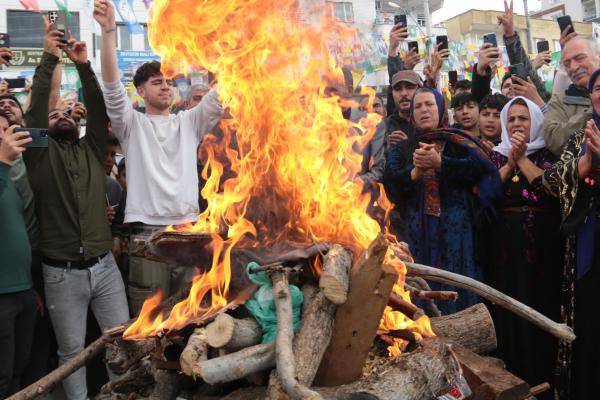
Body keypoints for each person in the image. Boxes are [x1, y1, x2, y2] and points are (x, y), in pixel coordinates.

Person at [94, 0, 223, 313]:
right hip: (145, 236)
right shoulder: (131, 125)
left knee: (186, 321)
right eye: (156, 83)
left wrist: (229, 43)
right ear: (140, 91)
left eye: (168, 82)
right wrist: (109, 32)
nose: (166, 87)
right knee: (147, 324)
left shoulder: (189, 123)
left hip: (187, 233)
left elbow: (223, 91)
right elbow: (111, 88)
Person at [24, 32, 129, 400]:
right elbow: (36, 109)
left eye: (67, 112)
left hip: (104, 269)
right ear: (42, 129)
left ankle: (122, 394)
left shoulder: (91, 148)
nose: (62, 116)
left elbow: (99, 110)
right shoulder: (36, 156)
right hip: (61, 274)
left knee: (121, 342)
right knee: (71, 352)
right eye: (55, 115)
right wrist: (50, 58)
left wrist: (84, 65)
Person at [384, 87, 501, 314]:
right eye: (418, 106)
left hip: (458, 234)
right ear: (411, 114)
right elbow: (390, 185)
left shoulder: (460, 142)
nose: (424, 110)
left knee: (458, 285)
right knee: (419, 287)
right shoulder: (402, 149)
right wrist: (415, 172)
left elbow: (482, 172)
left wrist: (441, 163)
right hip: (417, 234)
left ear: (440, 108)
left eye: (429, 104)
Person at [486, 97, 562, 398]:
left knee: (539, 306)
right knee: (508, 308)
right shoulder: (494, 156)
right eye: (512, 119)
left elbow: (550, 193)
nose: (517, 124)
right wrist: (509, 162)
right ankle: (511, 381)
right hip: (503, 249)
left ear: (536, 122)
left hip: (542, 248)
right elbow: (487, 193)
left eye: (524, 119)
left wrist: (522, 160)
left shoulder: (549, 154)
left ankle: (543, 381)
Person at [541, 67, 600, 400]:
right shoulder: (580, 137)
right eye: (597, 88)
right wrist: (581, 166)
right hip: (588, 249)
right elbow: (549, 181)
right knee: (589, 329)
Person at [0, 114, 36, 399]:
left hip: (22, 290)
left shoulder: (10, 176)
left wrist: (31, 286)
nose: (5, 135)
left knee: (17, 370)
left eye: (7, 129)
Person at [544, 37, 600, 156]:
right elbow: (554, 141)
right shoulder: (559, 101)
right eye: (567, 64)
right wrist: (593, 112)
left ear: (598, 56)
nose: (573, 68)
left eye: (579, 58)